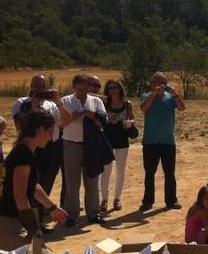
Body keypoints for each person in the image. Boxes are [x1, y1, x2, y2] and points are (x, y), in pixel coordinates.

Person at [0, 109, 68, 239]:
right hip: (9, 220)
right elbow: (19, 194)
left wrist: (53, 208)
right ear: (40, 129)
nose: (50, 138)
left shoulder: (27, 151)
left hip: (13, 218)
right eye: (50, 132)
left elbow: (33, 185)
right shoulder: (23, 154)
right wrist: (32, 227)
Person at [11, 75, 68, 205]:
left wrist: (58, 102)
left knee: (46, 179)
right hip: (30, 147)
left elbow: (64, 122)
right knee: (30, 180)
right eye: (37, 85)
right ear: (31, 86)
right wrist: (32, 108)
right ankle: (28, 209)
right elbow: (19, 125)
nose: (40, 89)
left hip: (50, 147)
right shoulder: (22, 102)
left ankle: (40, 210)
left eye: (43, 86)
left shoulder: (51, 104)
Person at [61, 75, 110, 225]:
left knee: (92, 180)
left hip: (91, 146)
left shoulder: (96, 101)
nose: (83, 91)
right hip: (71, 145)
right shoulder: (65, 101)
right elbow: (59, 124)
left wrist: (93, 115)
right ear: (73, 87)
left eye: (85, 88)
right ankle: (71, 215)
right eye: (80, 88)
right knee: (72, 182)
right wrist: (72, 118)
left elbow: (103, 124)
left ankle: (94, 214)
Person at [140, 72, 185, 211]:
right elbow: (143, 108)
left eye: (164, 83)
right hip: (150, 141)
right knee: (149, 173)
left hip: (168, 142)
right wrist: (154, 94)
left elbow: (182, 108)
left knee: (170, 173)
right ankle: (148, 201)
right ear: (152, 84)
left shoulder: (171, 97)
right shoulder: (146, 96)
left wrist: (175, 94)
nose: (162, 86)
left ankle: (171, 201)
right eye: (159, 83)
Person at [100, 79, 136, 213]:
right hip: (107, 140)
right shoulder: (104, 103)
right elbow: (99, 120)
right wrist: (107, 120)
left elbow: (132, 119)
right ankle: (104, 200)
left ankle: (117, 198)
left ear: (120, 89)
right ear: (107, 90)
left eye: (116, 87)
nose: (113, 90)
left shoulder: (127, 104)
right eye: (110, 88)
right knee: (105, 171)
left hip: (122, 140)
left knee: (120, 171)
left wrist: (128, 122)